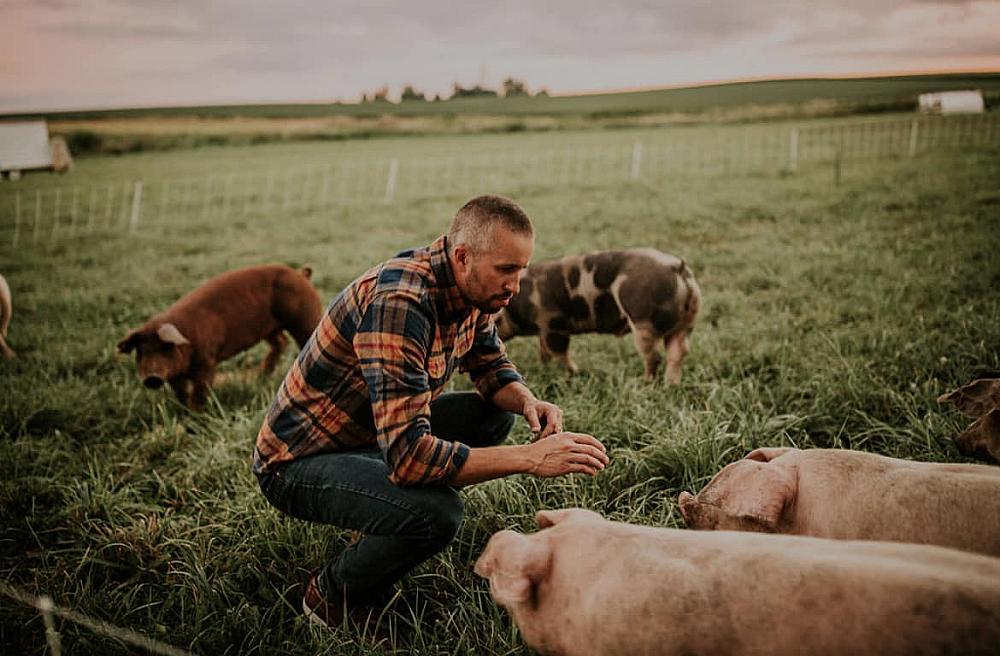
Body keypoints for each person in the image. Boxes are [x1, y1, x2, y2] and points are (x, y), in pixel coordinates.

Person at [253, 194, 609, 627]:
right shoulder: (401, 305)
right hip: (298, 461)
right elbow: (408, 458)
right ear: (462, 257)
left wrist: (528, 401)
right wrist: (530, 459)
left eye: (521, 270)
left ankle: (383, 511)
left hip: (370, 434)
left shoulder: (471, 289)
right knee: (437, 514)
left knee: (495, 414)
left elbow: (490, 365)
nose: (515, 286)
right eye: (506, 270)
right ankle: (328, 597)